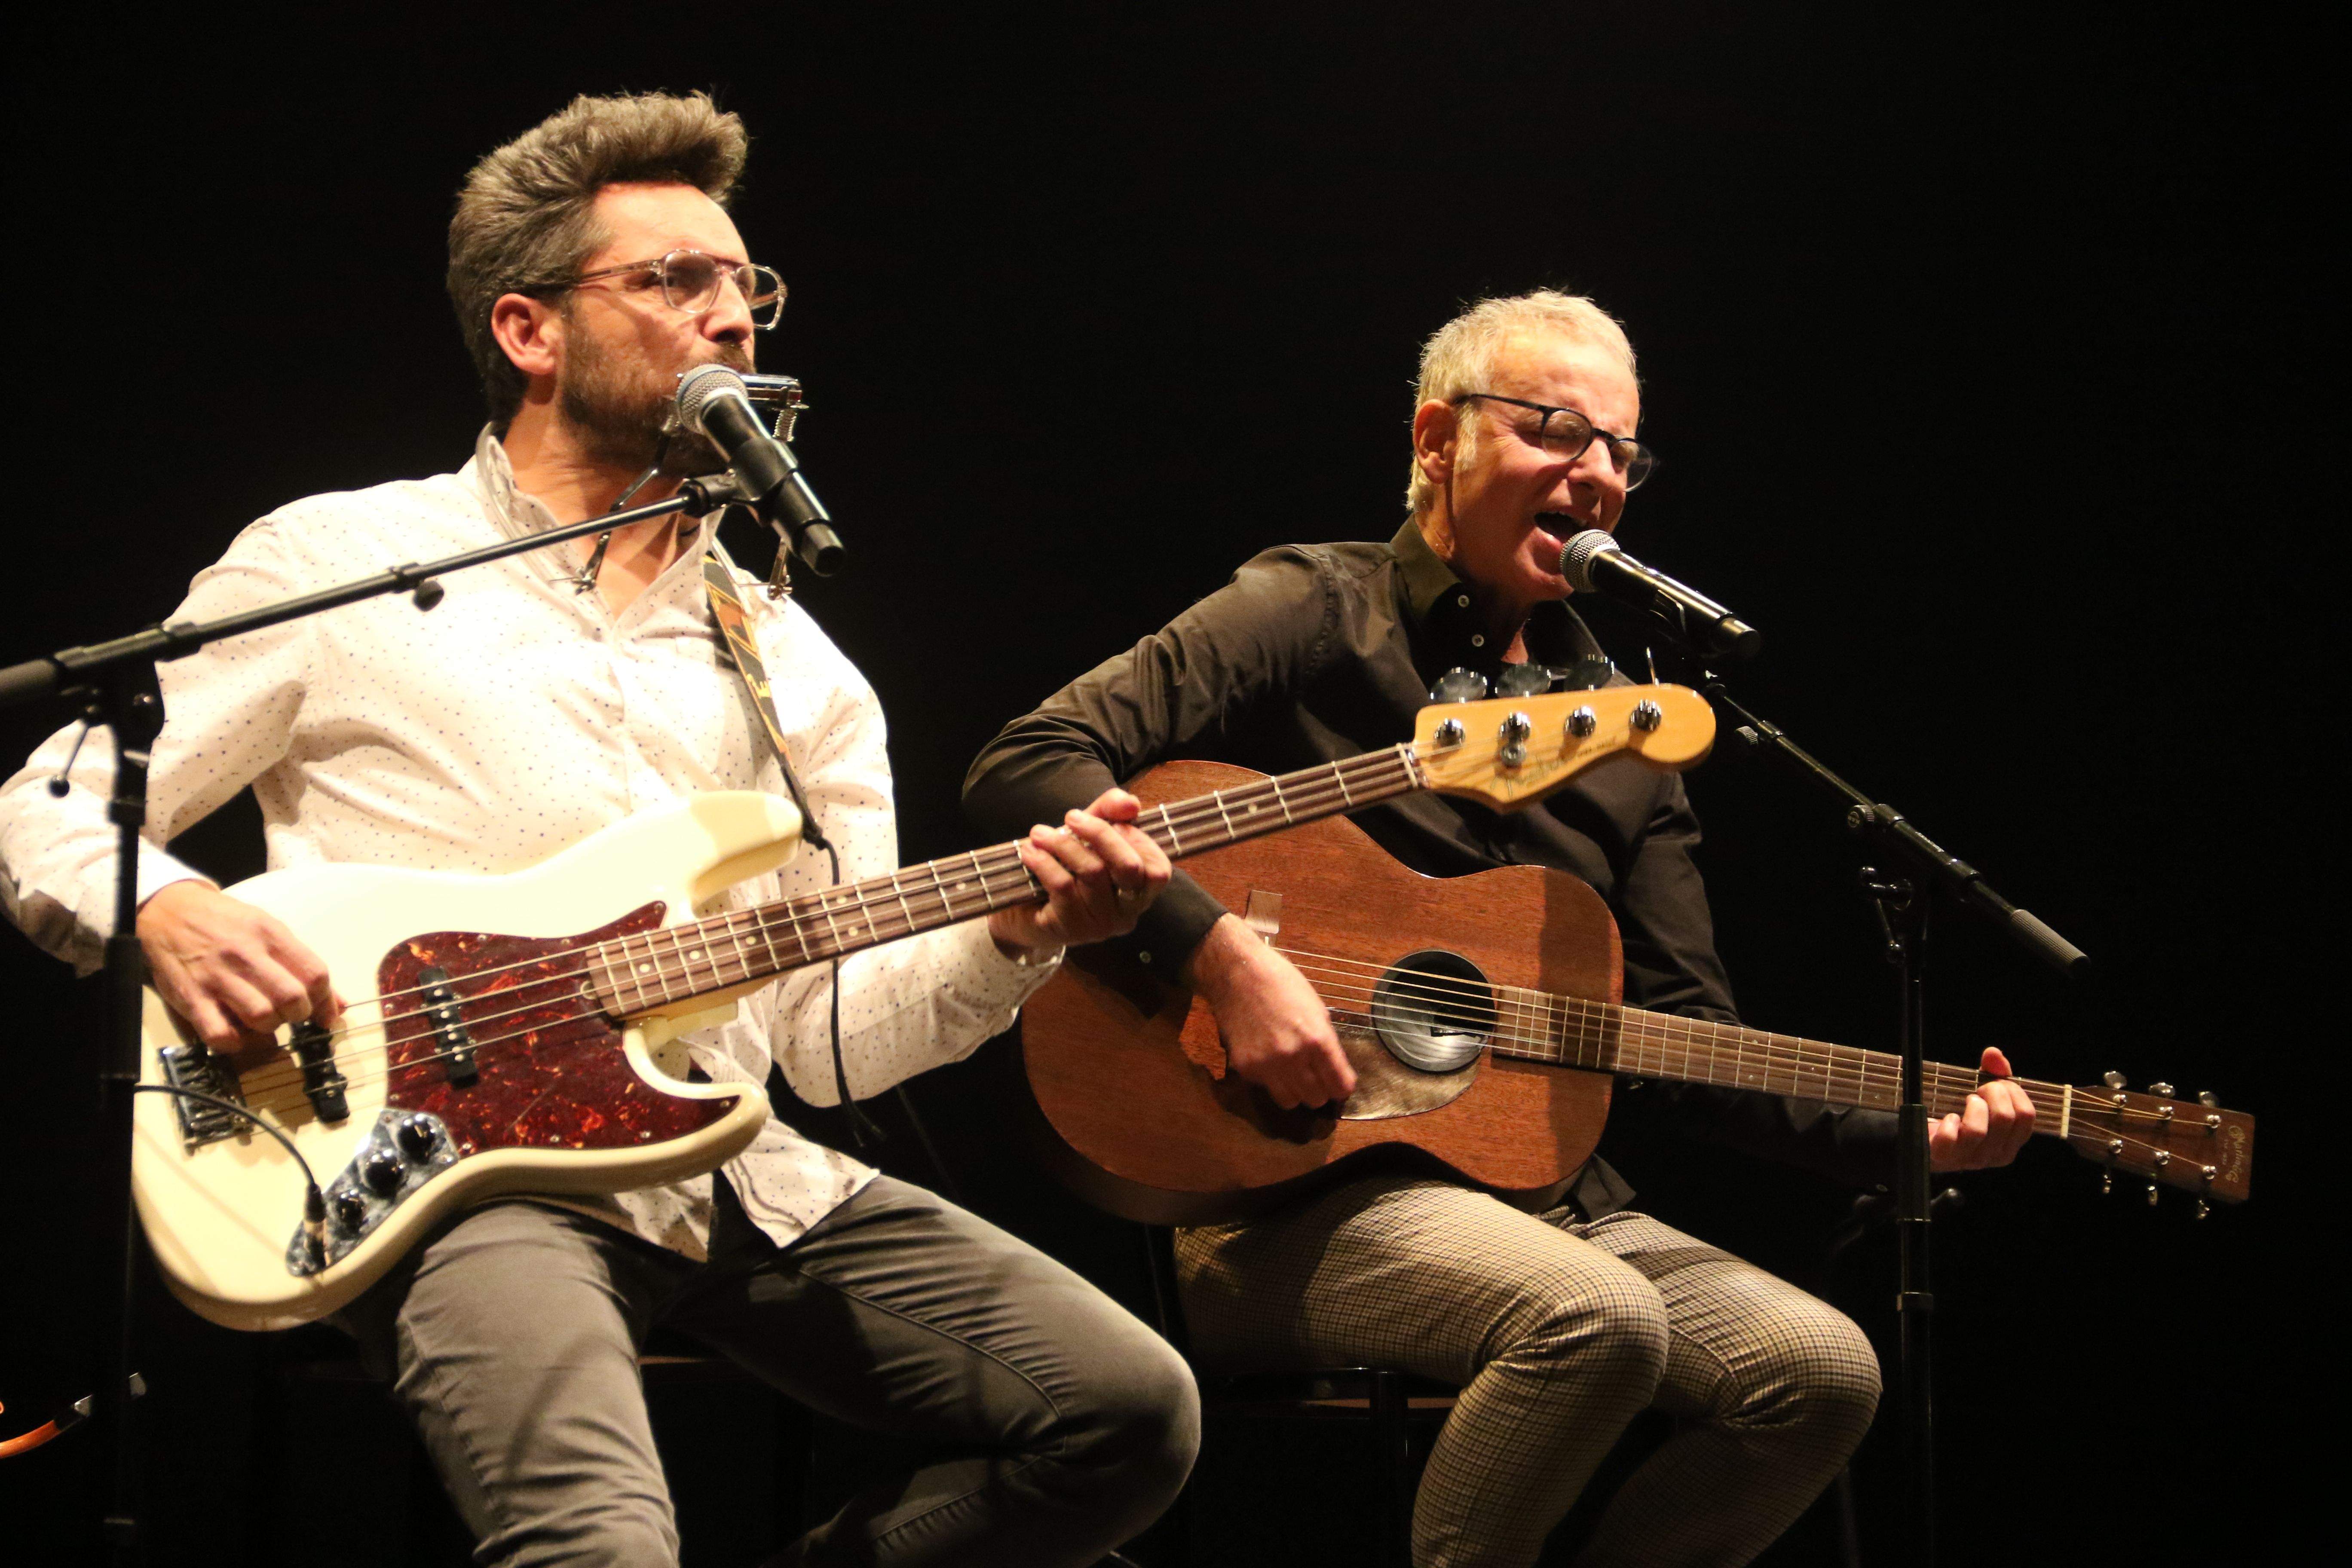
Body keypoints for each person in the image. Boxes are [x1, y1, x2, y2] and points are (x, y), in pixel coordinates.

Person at [0, 92, 1197, 1568]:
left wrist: (1021, 938)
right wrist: (168, 912)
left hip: (730, 1174)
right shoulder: (347, 561)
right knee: (601, 1548)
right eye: (673, 281)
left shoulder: (797, 667)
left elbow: (832, 1040)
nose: (732, 319)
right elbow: (60, 797)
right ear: (529, 331)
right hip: (442, 1164)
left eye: (745, 285)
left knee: (1130, 1412)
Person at [962, 290, 2036, 1568]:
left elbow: (1687, 1045)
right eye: (1556, 431)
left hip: (1552, 1206)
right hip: (1284, 1203)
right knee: (1595, 1322)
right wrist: (1225, 956)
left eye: (1621, 453)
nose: (1597, 475)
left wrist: (1910, 1137)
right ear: (1437, 441)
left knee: (1818, 1373)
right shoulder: (1313, 610)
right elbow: (1031, 763)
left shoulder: (1631, 727)